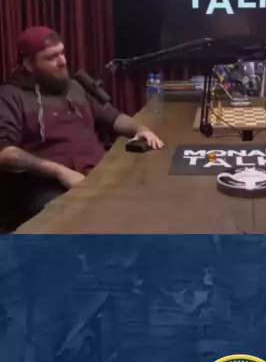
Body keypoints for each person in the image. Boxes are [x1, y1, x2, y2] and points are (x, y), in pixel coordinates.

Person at [0, 26, 163, 220]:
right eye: (52, 57)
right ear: (29, 64)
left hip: (98, 172)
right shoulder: (11, 96)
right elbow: (5, 152)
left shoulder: (75, 86)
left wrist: (140, 129)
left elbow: (114, 118)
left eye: (62, 53)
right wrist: (59, 171)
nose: (62, 61)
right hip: (51, 185)